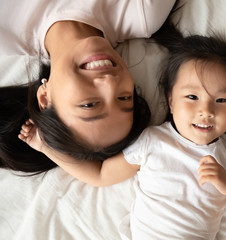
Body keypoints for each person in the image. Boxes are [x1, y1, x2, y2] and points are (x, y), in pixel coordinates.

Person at [20, 25, 226, 238]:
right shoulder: (153, 141)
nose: (205, 111)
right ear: (171, 101)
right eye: (192, 97)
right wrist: (45, 147)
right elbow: (100, 175)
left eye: (221, 101)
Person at [0, 0, 176, 173]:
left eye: (89, 104)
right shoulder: (142, 11)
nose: (109, 82)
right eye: (124, 97)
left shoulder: (6, 31)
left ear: (45, 98)